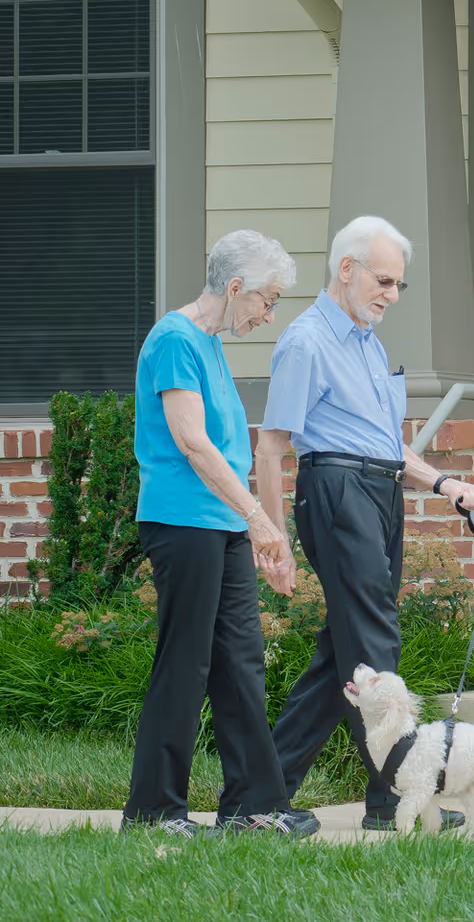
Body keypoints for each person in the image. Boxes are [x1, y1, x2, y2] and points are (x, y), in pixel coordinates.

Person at [257, 214, 474, 832]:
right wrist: (274, 536)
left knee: (343, 650)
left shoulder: (369, 343)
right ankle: (395, 802)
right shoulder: (306, 342)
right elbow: (272, 447)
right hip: (336, 490)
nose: (392, 295)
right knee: (375, 644)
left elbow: (388, 446)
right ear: (347, 269)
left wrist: (447, 484)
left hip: (380, 492)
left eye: (399, 285)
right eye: (384, 282)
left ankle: (264, 790)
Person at [123, 230, 314, 839]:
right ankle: (154, 814)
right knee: (186, 664)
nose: (269, 313)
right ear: (235, 288)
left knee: (240, 662)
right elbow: (193, 444)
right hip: (183, 523)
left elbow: (235, 450)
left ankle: (254, 807)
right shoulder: (176, 339)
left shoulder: (209, 343)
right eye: (267, 299)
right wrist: (260, 521)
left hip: (223, 524)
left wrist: (256, 526)